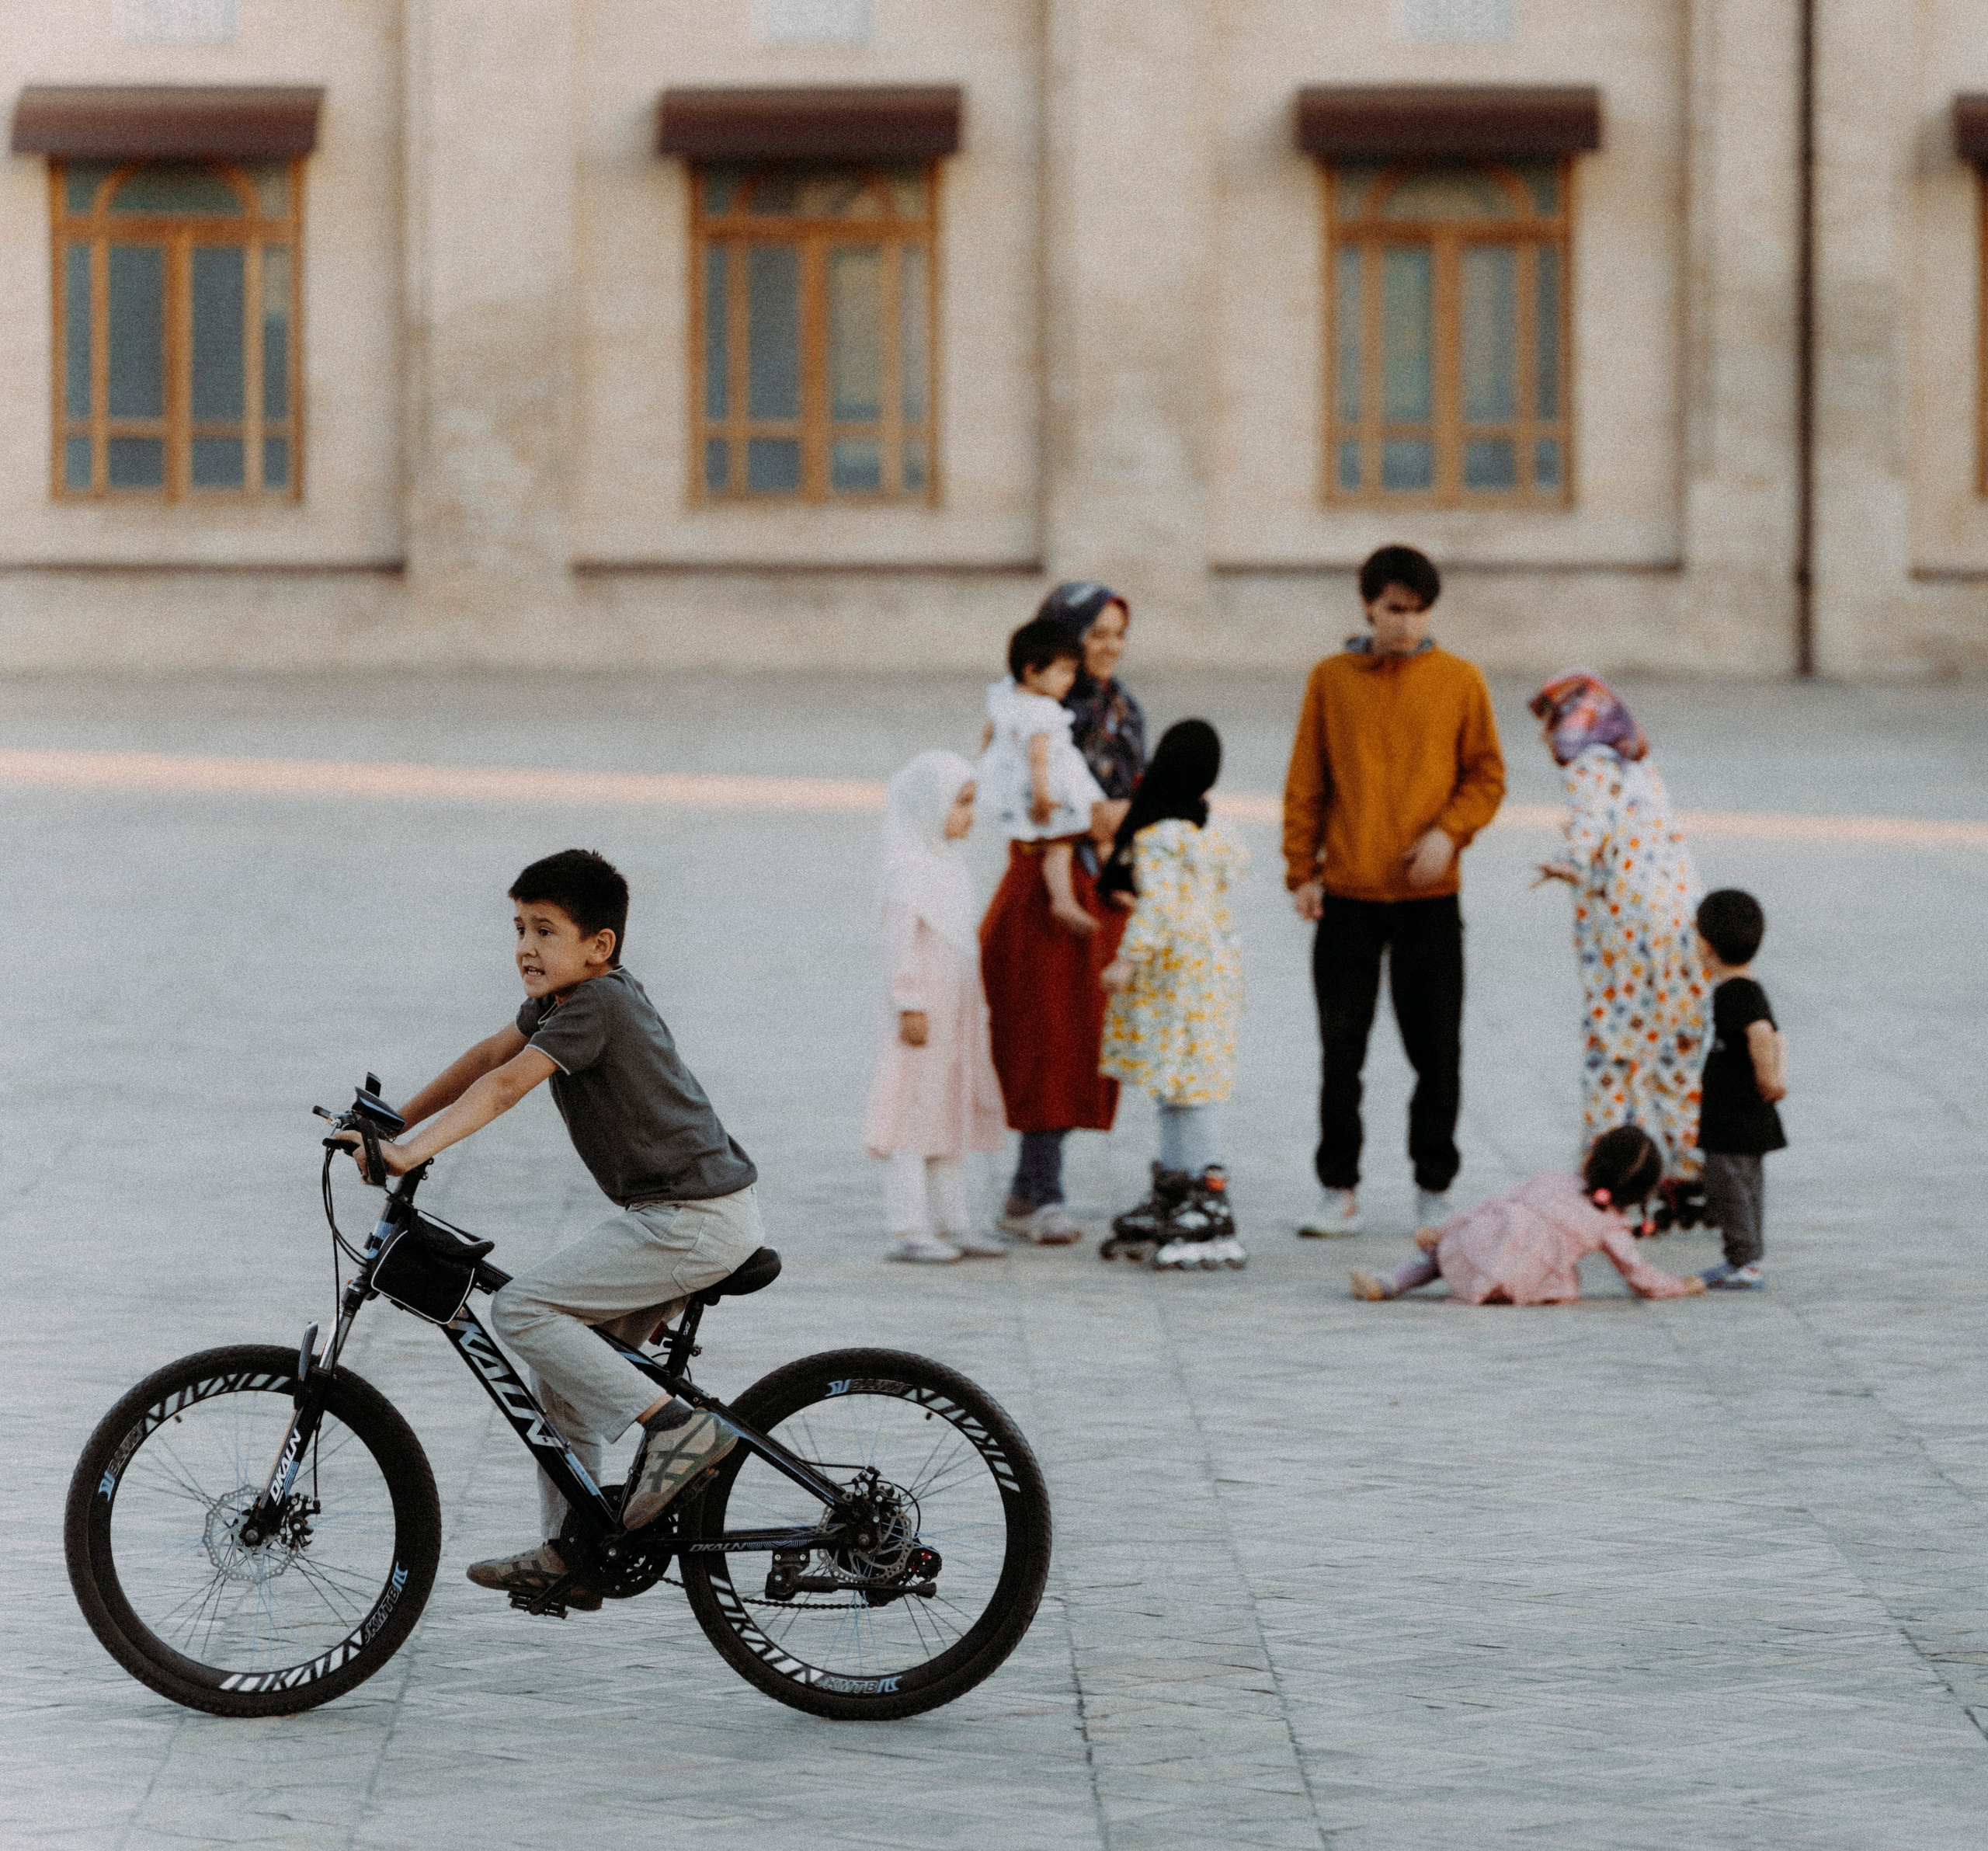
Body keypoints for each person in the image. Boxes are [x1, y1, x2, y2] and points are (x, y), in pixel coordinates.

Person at [335, 849, 762, 1609]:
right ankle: (576, 1551)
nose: (525, 947)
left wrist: (405, 1153)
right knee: (563, 1370)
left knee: (523, 1309)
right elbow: (486, 1056)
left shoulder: (597, 1003)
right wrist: (393, 1119)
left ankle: (677, 1430)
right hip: (683, 1217)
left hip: (690, 1221)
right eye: (519, 928)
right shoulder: (563, 1003)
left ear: (599, 947)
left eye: (545, 930)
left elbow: (504, 1086)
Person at [1282, 545, 1506, 1240]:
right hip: (1348, 893)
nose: (1407, 624)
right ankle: (1338, 1187)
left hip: (1428, 900)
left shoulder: (1461, 681)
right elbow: (1307, 782)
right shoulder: (1331, 679)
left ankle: (1434, 1186)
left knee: (1437, 1048)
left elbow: (1487, 776)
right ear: (1368, 606)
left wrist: (1450, 833)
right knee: (1340, 1049)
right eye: (1394, 610)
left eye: (1418, 611)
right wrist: (1301, 870)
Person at [978, 604, 1130, 1245]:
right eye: (1093, 635)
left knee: (1068, 1039)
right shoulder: (1047, 715)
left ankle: (1028, 1183)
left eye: (1118, 635)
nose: (1106, 649)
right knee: (1048, 1038)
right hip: (1045, 897)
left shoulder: (1118, 713)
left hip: (1089, 890)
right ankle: (1044, 1191)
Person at [1528, 670, 1708, 1185]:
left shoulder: (1588, 763)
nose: (1548, 736)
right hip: (1680, 923)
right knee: (1676, 1045)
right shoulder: (1639, 769)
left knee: (1613, 1045)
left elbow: (1592, 819)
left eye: (1553, 720)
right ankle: (1692, 1168)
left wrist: (1572, 858)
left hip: (1627, 926)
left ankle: (1612, 1171)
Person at [1097, 721, 1249, 1270]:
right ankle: (1180, 1187)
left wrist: (1125, 959)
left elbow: (1159, 909)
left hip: (1174, 975)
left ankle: (1210, 1197)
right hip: (1211, 975)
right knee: (1181, 1084)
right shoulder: (1213, 836)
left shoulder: (1159, 837)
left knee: (1187, 1090)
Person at [864, 751, 1010, 1263]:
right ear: (930, 805)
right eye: (961, 803)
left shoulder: (949, 865)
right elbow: (898, 944)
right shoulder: (908, 869)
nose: (969, 815)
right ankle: (908, 1225)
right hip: (922, 1015)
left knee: (949, 1107)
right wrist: (909, 1002)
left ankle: (954, 1220)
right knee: (912, 1112)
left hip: (957, 1012)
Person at [1349, 1126, 1706, 1304]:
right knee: (1566, 1278)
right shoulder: (1612, 1225)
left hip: (1470, 1258)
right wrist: (1680, 1285)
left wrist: (1442, 1231)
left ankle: (1390, 1281)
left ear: (1591, 1159)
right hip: (1517, 1284)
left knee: (1443, 1252)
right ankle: (1509, 1282)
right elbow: (1637, 1274)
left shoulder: (1551, 1178)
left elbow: (1489, 1205)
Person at [977, 618, 1109, 937]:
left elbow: (988, 735)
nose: (1070, 680)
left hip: (1013, 786)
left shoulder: (1004, 698)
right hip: (1047, 786)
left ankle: (1077, 892)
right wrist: (1042, 795)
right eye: (1064, 671)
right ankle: (1080, 893)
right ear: (1032, 670)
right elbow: (1038, 756)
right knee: (1067, 840)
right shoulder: (1045, 710)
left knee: (1057, 843)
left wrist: (984, 773)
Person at [1693, 889, 1788, 1291]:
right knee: (1746, 1185)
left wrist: (1769, 1078)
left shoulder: (1734, 992)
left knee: (1727, 1184)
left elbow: (1763, 1034)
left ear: (1706, 945)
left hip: (1735, 1115)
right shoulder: (1747, 989)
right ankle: (1746, 1258)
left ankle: (1744, 1261)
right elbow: (1778, 1036)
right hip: (1742, 1114)